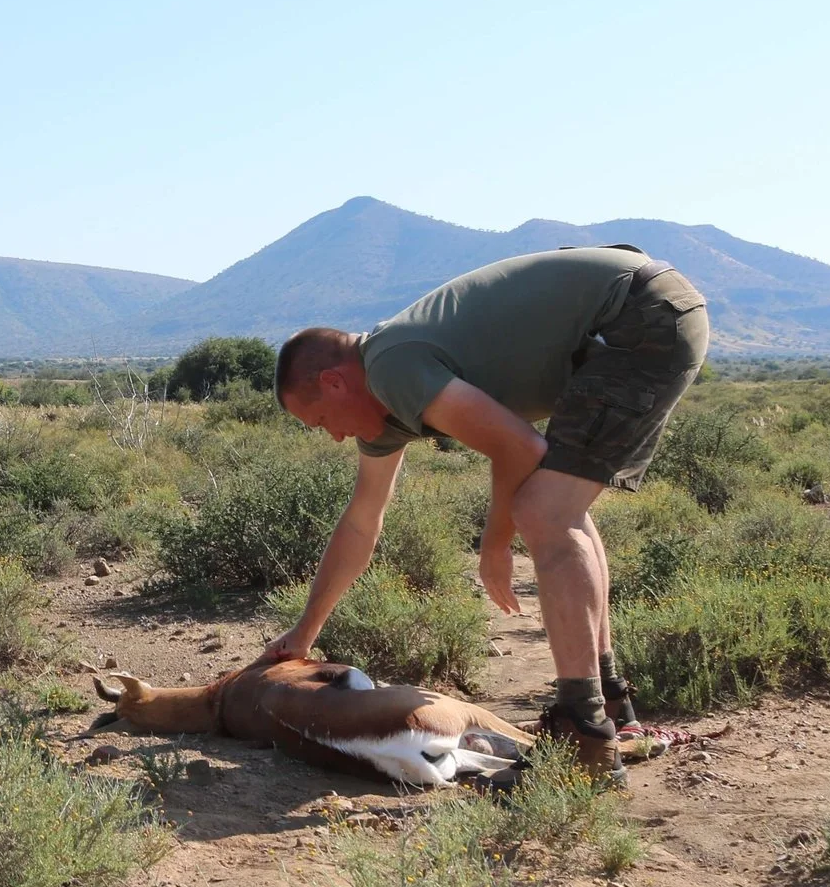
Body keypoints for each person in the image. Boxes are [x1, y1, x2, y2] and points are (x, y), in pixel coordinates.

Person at [263, 245, 709, 780]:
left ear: (335, 381)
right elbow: (361, 522)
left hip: (636, 317)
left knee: (544, 509)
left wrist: (495, 545)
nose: (333, 434)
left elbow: (519, 448)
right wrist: (305, 633)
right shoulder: (387, 408)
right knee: (557, 505)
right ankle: (611, 706)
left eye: (320, 419)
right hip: (644, 313)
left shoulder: (389, 366)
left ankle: (585, 737)